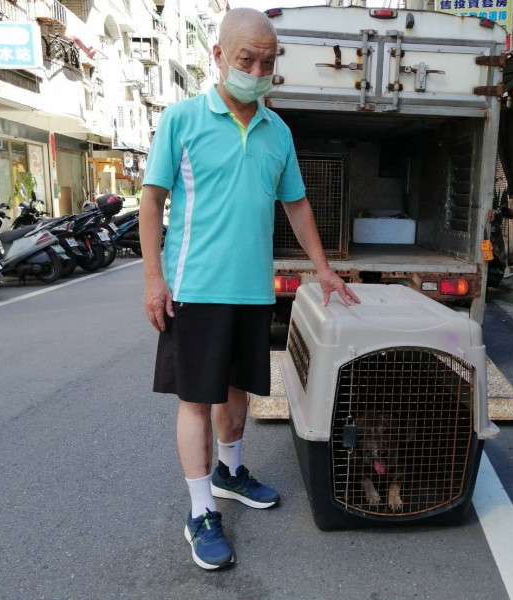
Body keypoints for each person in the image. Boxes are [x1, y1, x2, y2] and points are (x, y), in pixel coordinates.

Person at [139, 7, 360, 571]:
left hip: (252, 291)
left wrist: (324, 267)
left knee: (237, 395)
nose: (258, 70)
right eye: (247, 59)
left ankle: (231, 473)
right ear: (218, 56)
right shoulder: (182, 120)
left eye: (268, 61)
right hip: (195, 288)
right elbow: (152, 199)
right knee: (196, 401)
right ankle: (199, 512)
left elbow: (297, 203)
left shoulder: (277, 130)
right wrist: (153, 279)